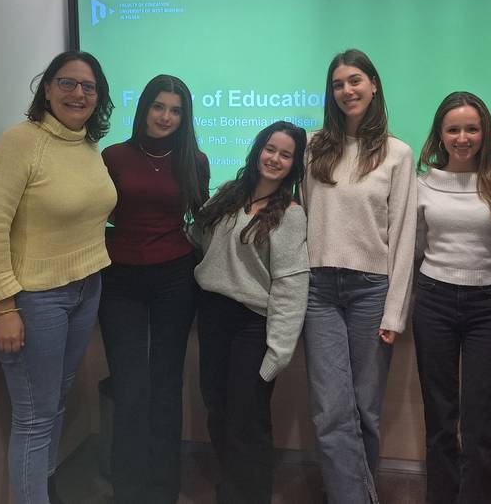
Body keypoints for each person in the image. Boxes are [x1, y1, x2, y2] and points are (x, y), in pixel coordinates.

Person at [0, 50, 117, 504]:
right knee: (34, 419)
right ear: (47, 88)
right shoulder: (19, 142)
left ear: (99, 97)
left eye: (88, 87)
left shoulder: (87, 145)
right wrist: (2, 307)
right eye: (67, 83)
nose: (78, 94)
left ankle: (44, 492)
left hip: (85, 287)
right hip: (33, 300)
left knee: (53, 405)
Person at [302, 49, 417, 504]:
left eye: (355, 81)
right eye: (337, 84)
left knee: (365, 411)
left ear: (373, 85)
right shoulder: (313, 147)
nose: (346, 90)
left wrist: (395, 312)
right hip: (319, 291)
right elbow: (305, 218)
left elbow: (405, 235)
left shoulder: (398, 153)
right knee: (330, 410)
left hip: (372, 291)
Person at [98, 74, 210, 504]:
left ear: (185, 117)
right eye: (158, 107)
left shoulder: (194, 160)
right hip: (119, 279)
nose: (166, 116)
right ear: (144, 108)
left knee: (166, 384)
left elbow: (201, 218)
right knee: (129, 385)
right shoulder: (113, 156)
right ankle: (127, 488)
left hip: (174, 278)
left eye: (176, 110)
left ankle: (163, 488)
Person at [413, 91, 491, 504]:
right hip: (433, 301)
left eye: (471, 129)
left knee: (483, 424)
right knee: (440, 418)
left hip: (488, 310)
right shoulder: (423, 184)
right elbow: (415, 248)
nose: (463, 137)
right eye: (453, 129)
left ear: (485, 134)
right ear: (440, 135)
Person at [193, 121, 310, 504]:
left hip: (252, 325)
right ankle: (231, 490)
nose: (275, 158)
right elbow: (199, 237)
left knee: (248, 420)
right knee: (217, 408)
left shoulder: (290, 214)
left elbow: (291, 288)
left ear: (294, 165)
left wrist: (278, 352)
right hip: (212, 315)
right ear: (258, 149)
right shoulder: (229, 193)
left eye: (285, 154)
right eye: (270, 149)